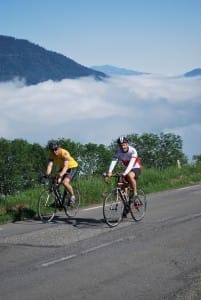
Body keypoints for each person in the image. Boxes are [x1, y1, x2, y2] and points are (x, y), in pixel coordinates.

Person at [107, 136, 142, 215]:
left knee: (129, 175)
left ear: (127, 144)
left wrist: (125, 172)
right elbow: (114, 161)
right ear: (119, 146)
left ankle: (135, 194)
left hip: (136, 167)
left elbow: (131, 164)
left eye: (124, 144)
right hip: (127, 169)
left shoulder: (133, 151)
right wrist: (109, 171)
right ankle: (127, 206)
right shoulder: (118, 151)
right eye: (121, 145)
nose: (123, 146)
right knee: (121, 186)